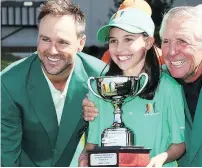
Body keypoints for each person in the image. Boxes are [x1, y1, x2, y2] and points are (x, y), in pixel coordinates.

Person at [82, 6, 202, 167]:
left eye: (182, 41)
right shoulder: (110, 87)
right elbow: (92, 144)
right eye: (166, 41)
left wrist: (162, 158)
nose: (172, 52)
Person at [1, 0, 106, 166]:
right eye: (45, 39)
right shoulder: (9, 83)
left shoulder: (99, 77)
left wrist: (100, 112)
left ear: (81, 43)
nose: (52, 50)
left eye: (62, 42)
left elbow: (107, 138)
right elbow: (6, 156)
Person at [79, 7, 185, 167]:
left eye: (128, 39)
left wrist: (162, 157)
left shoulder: (169, 88)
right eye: (113, 40)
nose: (120, 48)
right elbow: (91, 144)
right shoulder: (101, 90)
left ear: (148, 42)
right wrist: (84, 159)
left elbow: (179, 144)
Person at [101, 0, 164, 65]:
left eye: (128, 39)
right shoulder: (109, 57)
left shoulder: (160, 58)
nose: (119, 49)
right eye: (113, 40)